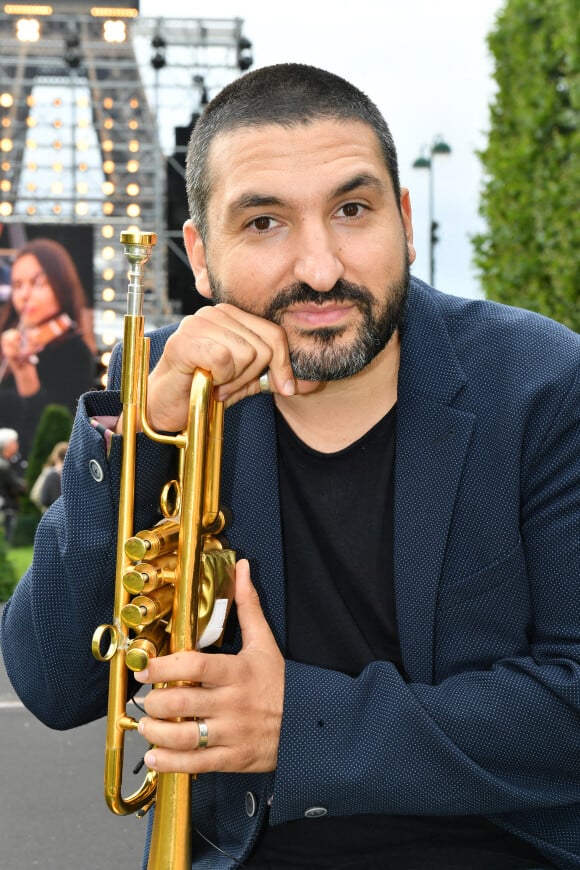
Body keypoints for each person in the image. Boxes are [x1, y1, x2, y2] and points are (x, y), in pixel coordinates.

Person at [1, 64, 579, 870]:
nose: (318, 266)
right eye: (264, 222)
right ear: (199, 258)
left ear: (405, 221)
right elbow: (51, 680)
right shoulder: (180, 388)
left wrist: (296, 721)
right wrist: (141, 433)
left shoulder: (545, 383)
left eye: (352, 210)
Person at [0, 237, 95, 458]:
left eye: (38, 284)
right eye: (17, 285)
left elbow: (56, 428)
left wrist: (25, 373)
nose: (25, 295)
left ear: (60, 284)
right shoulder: (12, 340)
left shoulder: (74, 350)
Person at [0, 428, 26, 544]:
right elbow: (16, 487)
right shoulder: (4, 466)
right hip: (5, 509)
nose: (17, 445)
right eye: (15, 442)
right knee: (5, 543)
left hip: (5, 506)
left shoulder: (6, 463)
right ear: (7, 446)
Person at [29, 440, 68, 513]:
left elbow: (36, 495)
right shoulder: (73, 473)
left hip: (51, 513)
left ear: (55, 456)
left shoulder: (49, 473)